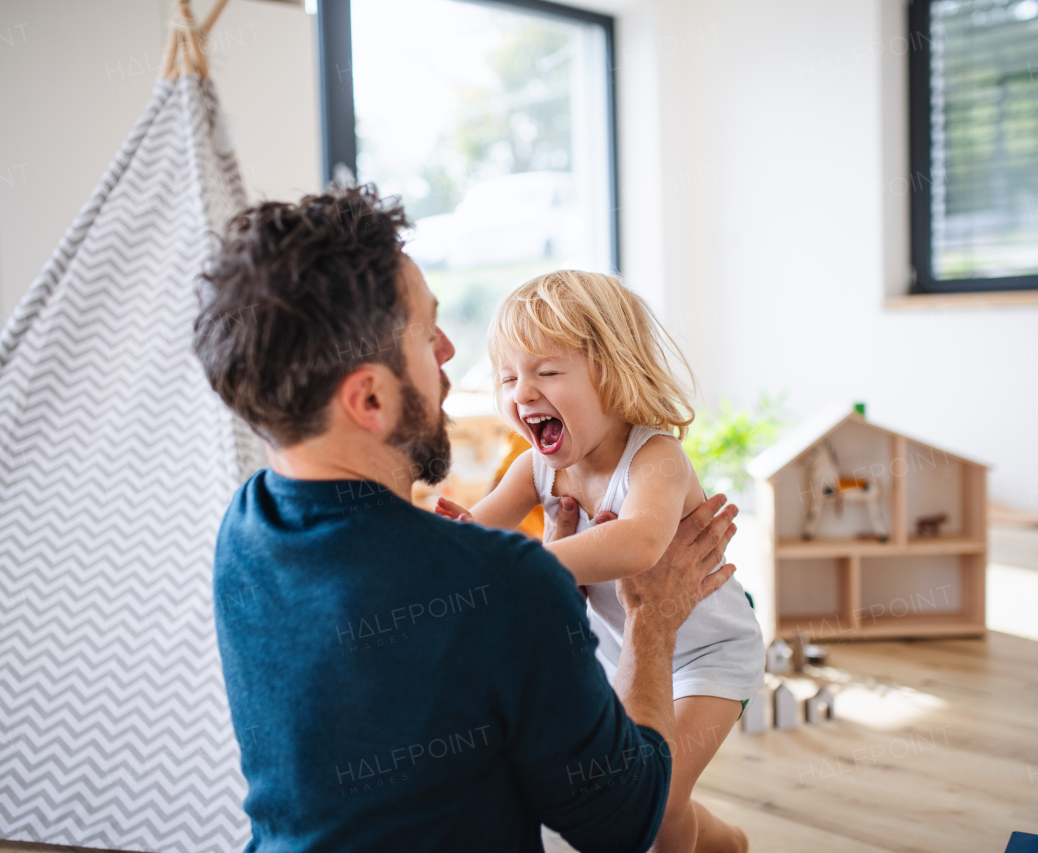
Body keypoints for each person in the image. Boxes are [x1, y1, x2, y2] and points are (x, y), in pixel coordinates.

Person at [191, 186, 741, 853]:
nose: (450, 350)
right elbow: (625, 821)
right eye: (428, 334)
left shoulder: (246, 526)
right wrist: (652, 622)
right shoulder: (504, 583)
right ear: (369, 396)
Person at [435, 270, 762, 853]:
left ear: (611, 374)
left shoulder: (654, 456)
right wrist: (450, 545)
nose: (522, 393)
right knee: (631, 796)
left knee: (657, 800)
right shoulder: (535, 467)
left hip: (710, 656)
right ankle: (723, 844)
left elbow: (639, 544)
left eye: (547, 372)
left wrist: (521, 567)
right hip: (622, 653)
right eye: (508, 377)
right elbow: (482, 536)